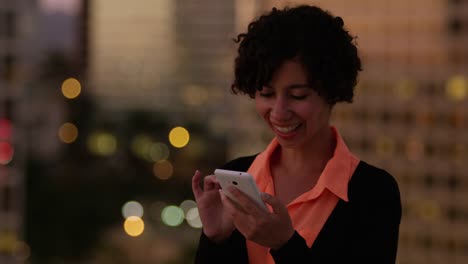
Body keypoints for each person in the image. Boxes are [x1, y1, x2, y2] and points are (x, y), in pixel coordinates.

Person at [191, 4, 401, 264]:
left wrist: (286, 245)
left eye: (298, 95)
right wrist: (215, 239)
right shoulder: (239, 175)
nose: (278, 112)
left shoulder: (373, 193)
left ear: (331, 91)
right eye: (266, 94)